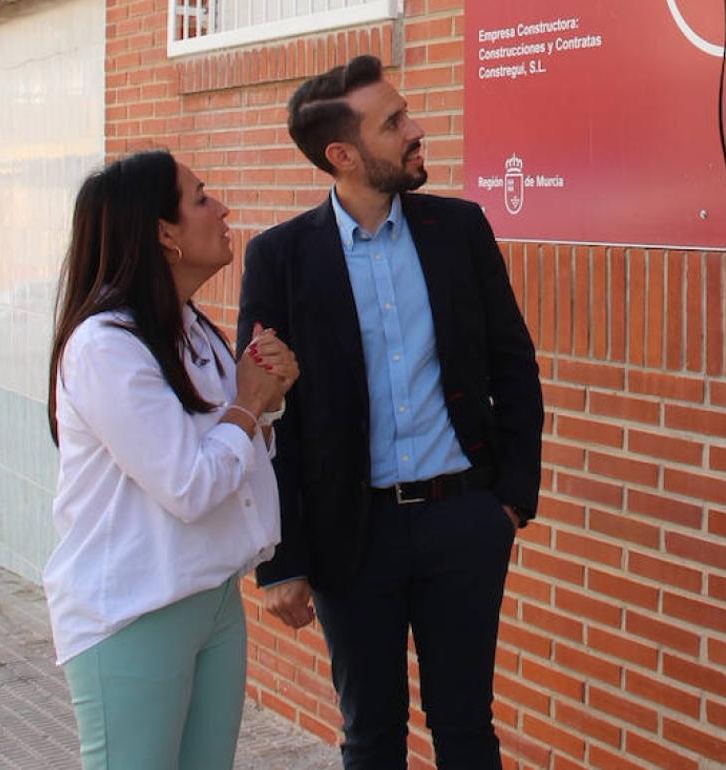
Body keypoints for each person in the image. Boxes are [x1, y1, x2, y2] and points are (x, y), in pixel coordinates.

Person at [236, 54, 543, 769]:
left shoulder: (460, 231)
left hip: (463, 519)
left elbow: (513, 365)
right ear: (341, 154)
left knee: (466, 726)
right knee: (372, 734)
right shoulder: (278, 258)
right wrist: (281, 559)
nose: (417, 130)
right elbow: (265, 415)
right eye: (395, 123)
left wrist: (509, 503)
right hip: (353, 533)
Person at [44, 149, 298, 769]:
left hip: (209, 596)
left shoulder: (190, 329)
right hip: (133, 609)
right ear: (164, 232)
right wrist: (249, 402)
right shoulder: (105, 347)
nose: (222, 208)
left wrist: (264, 408)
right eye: (202, 196)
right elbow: (187, 482)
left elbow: (229, 453)